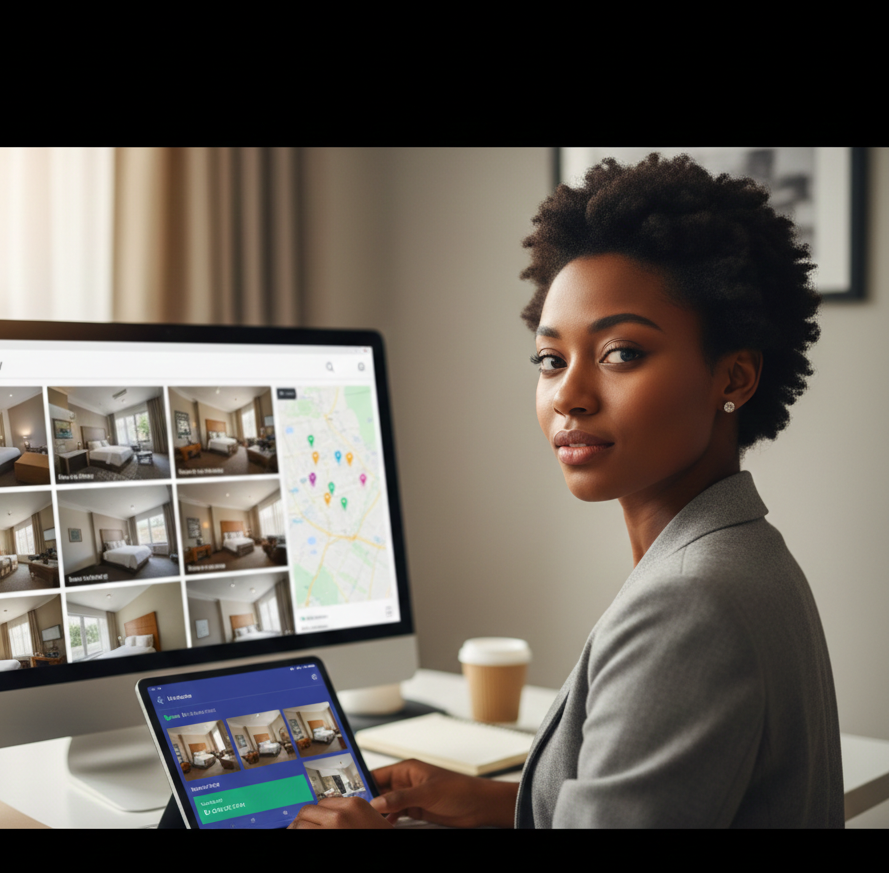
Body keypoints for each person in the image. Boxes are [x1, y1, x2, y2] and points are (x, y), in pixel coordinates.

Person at [289, 153, 844, 829]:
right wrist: (500, 803)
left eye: (621, 354)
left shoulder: (689, 603)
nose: (569, 397)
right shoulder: (745, 555)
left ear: (733, 379)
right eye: (551, 360)